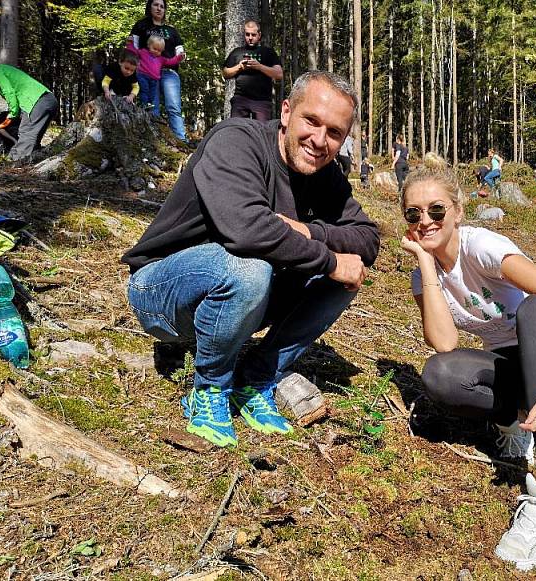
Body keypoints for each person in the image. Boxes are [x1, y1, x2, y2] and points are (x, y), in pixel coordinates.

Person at [122, 71, 380, 447]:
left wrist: (311, 233)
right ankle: (209, 389)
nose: (320, 140)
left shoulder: (325, 173)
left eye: (335, 132)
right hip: (161, 289)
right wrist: (328, 259)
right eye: (311, 121)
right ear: (287, 112)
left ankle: (255, 379)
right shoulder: (236, 140)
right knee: (251, 264)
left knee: (345, 277)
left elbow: (368, 239)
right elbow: (247, 231)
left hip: (240, 296)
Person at [399, 161, 536, 571]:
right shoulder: (421, 277)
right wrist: (425, 264)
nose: (426, 221)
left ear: (458, 211)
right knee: (439, 373)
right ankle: (520, 427)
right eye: (414, 214)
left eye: (437, 210)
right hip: (517, 368)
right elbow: (445, 343)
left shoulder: (482, 247)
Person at [0, 54, 59, 163]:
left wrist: (12, 114)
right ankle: (28, 162)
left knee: (26, 133)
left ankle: (16, 164)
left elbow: (8, 91)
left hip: (38, 101)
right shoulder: (0, 70)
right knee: (32, 137)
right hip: (47, 100)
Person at [131, 0, 187, 140]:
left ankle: (181, 139)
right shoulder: (141, 26)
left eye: (162, 6)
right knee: (151, 106)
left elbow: (180, 51)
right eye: (156, 5)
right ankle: (153, 140)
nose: (159, 8)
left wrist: (182, 56)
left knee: (173, 107)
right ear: (149, 6)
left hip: (169, 72)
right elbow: (133, 48)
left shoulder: (172, 31)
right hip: (147, 73)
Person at [222, 19, 283, 122]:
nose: (250, 38)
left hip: (262, 100)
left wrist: (259, 66)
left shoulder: (268, 52)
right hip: (240, 99)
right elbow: (225, 73)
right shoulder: (237, 52)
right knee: (237, 129)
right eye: (247, 34)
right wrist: (239, 67)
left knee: (262, 132)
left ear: (259, 35)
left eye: (253, 35)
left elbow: (279, 74)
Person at [125, 35, 184, 115]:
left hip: (154, 79)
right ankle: (143, 104)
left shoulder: (161, 59)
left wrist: (178, 58)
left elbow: (170, 62)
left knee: (153, 94)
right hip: (142, 75)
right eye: (154, 49)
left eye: (159, 50)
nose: (156, 51)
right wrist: (129, 43)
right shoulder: (143, 52)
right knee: (144, 90)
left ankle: (149, 105)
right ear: (149, 45)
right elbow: (133, 51)